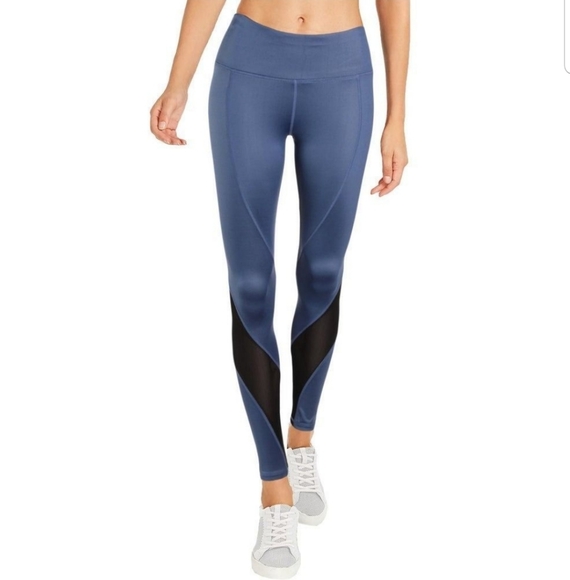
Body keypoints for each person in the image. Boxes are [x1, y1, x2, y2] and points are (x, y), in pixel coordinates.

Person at [149, 1, 409, 577]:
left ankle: (301, 439)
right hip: (250, 68)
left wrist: (397, 116)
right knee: (249, 285)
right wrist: (178, 82)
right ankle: (275, 488)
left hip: (342, 75)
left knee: (322, 271)